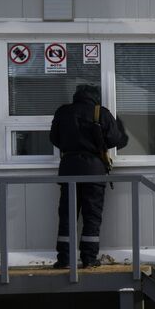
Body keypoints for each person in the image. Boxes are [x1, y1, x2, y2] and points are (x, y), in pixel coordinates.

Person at [49, 83, 128, 268]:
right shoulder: (101, 113)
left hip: (68, 167)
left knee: (67, 215)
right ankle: (89, 259)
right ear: (95, 97)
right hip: (94, 169)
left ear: (76, 95)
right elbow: (117, 140)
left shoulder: (63, 112)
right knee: (92, 216)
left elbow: (54, 138)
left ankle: (65, 259)